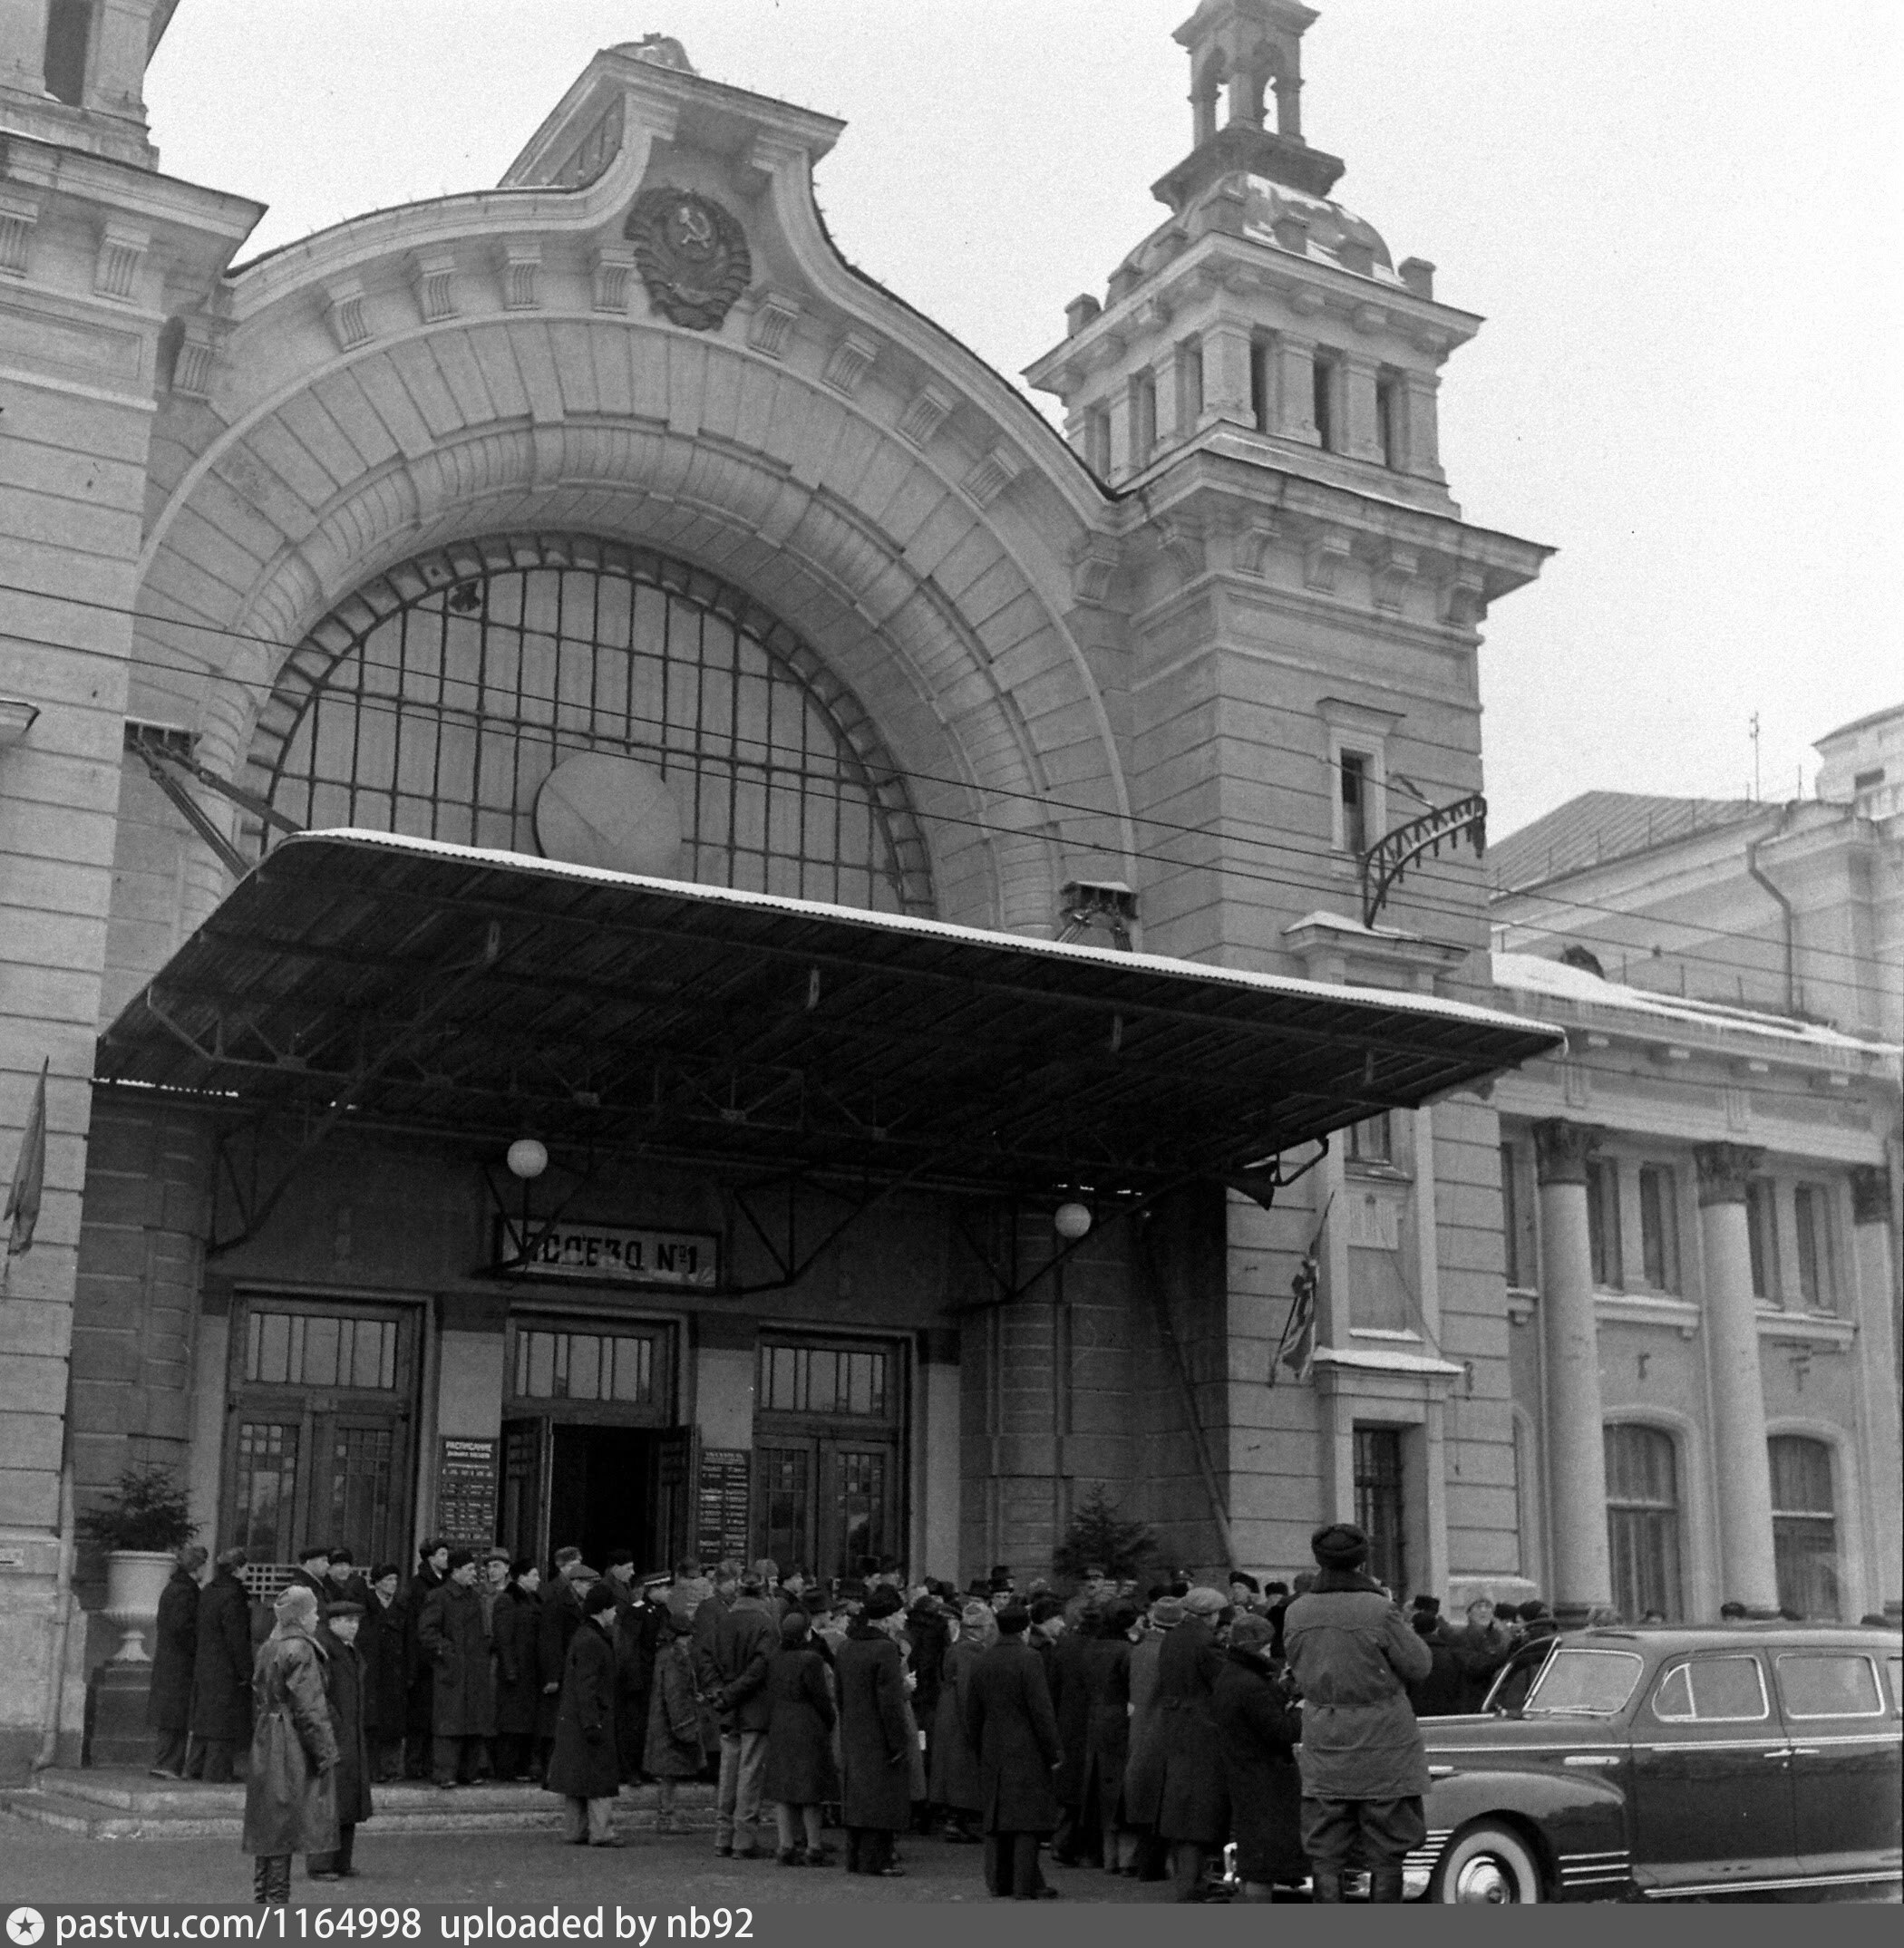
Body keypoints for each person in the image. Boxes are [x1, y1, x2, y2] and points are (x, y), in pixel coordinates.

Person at [1282, 1521, 1433, 1904]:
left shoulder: (1296, 1612)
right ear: (1362, 1560)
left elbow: (1296, 1669)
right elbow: (1419, 1665)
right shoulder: (1379, 1610)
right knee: (1387, 1851)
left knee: (1325, 1850)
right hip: (1385, 1742)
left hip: (1324, 1741)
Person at [242, 1585, 338, 1908]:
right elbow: (310, 1707)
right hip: (291, 1738)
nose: (316, 1618)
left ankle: (263, 1900)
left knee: (267, 1823)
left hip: (266, 1734)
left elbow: (259, 1692)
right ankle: (277, 1906)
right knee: (284, 1823)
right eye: (312, 1612)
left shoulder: (270, 1646)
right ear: (300, 1616)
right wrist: (326, 1752)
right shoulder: (302, 1650)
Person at [962, 1603, 1063, 1900]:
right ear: (1025, 1628)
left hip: (993, 1743)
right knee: (1026, 1820)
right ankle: (1024, 1885)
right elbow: (1041, 1709)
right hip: (1026, 1745)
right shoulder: (1029, 1658)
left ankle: (998, 1881)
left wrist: (978, 1744)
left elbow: (973, 1711)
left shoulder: (983, 1659)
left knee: (997, 1816)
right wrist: (1053, 1750)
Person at [1211, 1613, 1305, 1900]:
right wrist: (1301, 1707)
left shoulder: (1232, 1675)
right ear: (1255, 1646)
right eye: (1266, 1647)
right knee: (1261, 1863)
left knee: (1257, 1856)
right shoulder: (1250, 1684)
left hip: (1246, 1772)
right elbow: (1281, 1731)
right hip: (1265, 1779)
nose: (1269, 1652)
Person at [1154, 1585, 1229, 1902]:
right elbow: (1222, 1683)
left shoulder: (1173, 1636)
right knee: (1200, 1807)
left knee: (1181, 1804)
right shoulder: (1205, 1642)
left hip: (1175, 1725)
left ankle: (1190, 1878)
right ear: (1210, 1614)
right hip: (1202, 1728)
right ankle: (1193, 1881)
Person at [834, 1585, 913, 1875]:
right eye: (900, 1613)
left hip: (854, 1730)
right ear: (888, 1618)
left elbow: (839, 1694)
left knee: (858, 1798)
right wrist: (897, 1742)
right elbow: (890, 1703)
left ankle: (855, 1858)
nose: (904, 1618)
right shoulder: (885, 1650)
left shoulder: (846, 1647)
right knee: (881, 1800)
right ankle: (877, 1860)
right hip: (879, 1735)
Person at [546, 1580, 624, 1848]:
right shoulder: (593, 1641)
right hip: (591, 1718)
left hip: (575, 1719)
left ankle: (575, 1829)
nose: (615, 1614)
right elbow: (587, 1686)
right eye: (612, 1609)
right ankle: (602, 1831)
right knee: (599, 1776)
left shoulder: (582, 1636)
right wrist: (593, 1722)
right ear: (602, 1610)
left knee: (576, 1777)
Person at [762, 1608, 839, 1866]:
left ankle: (785, 1845)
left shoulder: (774, 1658)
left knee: (784, 1790)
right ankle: (813, 1847)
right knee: (810, 1791)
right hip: (807, 1723)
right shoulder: (811, 1660)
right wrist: (829, 1721)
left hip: (780, 1722)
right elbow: (821, 1698)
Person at [711, 1567, 777, 1859]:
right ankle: (743, 1839)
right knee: (749, 1775)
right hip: (755, 1707)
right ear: (763, 1593)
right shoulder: (767, 1624)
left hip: (729, 1707)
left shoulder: (724, 1621)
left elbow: (706, 1657)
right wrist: (734, 1692)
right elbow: (762, 1667)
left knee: (728, 1774)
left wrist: (723, 1694)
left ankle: (723, 1837)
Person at [416, 1549, 493, 1788]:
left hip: (474, 1670)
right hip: (451, 1671)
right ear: (456, 1571)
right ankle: (445, 1773)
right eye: (470, 1570)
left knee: (472, 1722)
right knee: (449, 1723)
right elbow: (427, 1632)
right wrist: (447, 1653)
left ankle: (469, 1771)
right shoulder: (439, 1596)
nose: (474, 1575)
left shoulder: (474, 1598)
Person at [308, 1602, 374, 1882]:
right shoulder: (324, 1649)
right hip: (334, 1732)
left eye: (356, 1622)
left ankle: (341, 1861)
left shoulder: (347, 1650)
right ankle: (321, 1864)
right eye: (347, 1621)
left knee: (345, 1798)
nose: (353, 1627)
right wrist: (334, 1724)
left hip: (349, 1732)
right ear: (333, 1622)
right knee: (329, 1799)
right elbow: (317, 1693)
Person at [1079, 1597, 1140, 1875]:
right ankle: (1125, 1859)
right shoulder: (1125, 1649)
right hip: (1118, 1720)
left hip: (1094, 1717)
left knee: (1098, 1787)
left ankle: (1104, 1855)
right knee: (1120, 1788)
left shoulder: (1092, 1646)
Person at [1121, 1592, 1177, 1881]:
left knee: (1142, 1795)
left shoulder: (1140, 1649)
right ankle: (1151, 1864)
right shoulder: (1168, 1653)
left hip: (1139, 1727)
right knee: (1160, 1798)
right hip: (1162, 1728)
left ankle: (1140, 1859)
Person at [189, 1546, 253, 1782]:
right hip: (226, 1667)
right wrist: (246, 1671)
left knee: (206, 1719)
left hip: (206, 1663)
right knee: (223, 1723)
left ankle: (196, 1767)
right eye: (246, 1567)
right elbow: (237, 1638)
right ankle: (217, 1772)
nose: (248, 1571)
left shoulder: (208, 1591)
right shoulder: (234, 1596)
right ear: (237, 1569)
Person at [929, 1601, 992, 1843]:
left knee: (951, 1769)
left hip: (948, 1713)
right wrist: (974, 1724)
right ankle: (956, 1821)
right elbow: (968, 1690)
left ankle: (955, 1820)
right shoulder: (970, 1653)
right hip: (959, 1716)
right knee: (961, 1771)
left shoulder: (957, 1649)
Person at [643, 1610, 704, 1835]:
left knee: (667, 1773)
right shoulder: (677, 1656)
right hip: (672, 1722)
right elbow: (676, 1692)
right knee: (669, 1773)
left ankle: (666, 1815)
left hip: (662, 1720)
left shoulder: (664, 1653)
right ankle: (668, 1816)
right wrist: (685, 1723)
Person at [149, 1543, 206, 1778]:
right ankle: (168, 1764)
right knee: (176, 1715)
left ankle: (166, 1762)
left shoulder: (174, 1588)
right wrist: (197, 1648)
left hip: (169, 1660)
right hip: (179, 1663)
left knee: (171, 1715)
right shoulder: (186, 1591)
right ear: (197, 1566)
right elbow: (182, 1628)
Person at [535, 1549, 588, 1774]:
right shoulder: (552, 1595)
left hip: (573, 1668)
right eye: (574, 1564)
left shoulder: (578, 1596)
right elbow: (550, 1640)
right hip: (562, 1668)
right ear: (562, 1567)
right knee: (553, 1722)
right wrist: (553, 1675)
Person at [400, 1539, 449, 1778]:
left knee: (435, 1715)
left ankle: (431, 1764)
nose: (446, 1558)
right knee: (419, 1716)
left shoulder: (446, 1583)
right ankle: (414, 1764)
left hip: (439, 1660)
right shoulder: (417, 1586)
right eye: (442, 1553)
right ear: (431, 1558)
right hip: (422, 1659)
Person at [491, 1559, 543, 1782]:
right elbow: (504, 1638)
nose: (538, 1579)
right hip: (516, 1670)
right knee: (512, 1722)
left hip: (531, 1670)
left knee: (526, 1721)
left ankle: (522, 1765)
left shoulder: (534, 1600)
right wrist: (510, 1668)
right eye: (534, 1574)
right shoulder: (508, 1599)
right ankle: (507, 1767)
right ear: (521, 1577)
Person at [1407, 1612, 1466, 1717]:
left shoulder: (1406, 1655)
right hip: (1446, 1715)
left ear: (1413, 1629)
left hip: (1414, 1714)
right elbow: (1460, 1689)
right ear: (1436, 1630)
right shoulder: (1451, 1656)